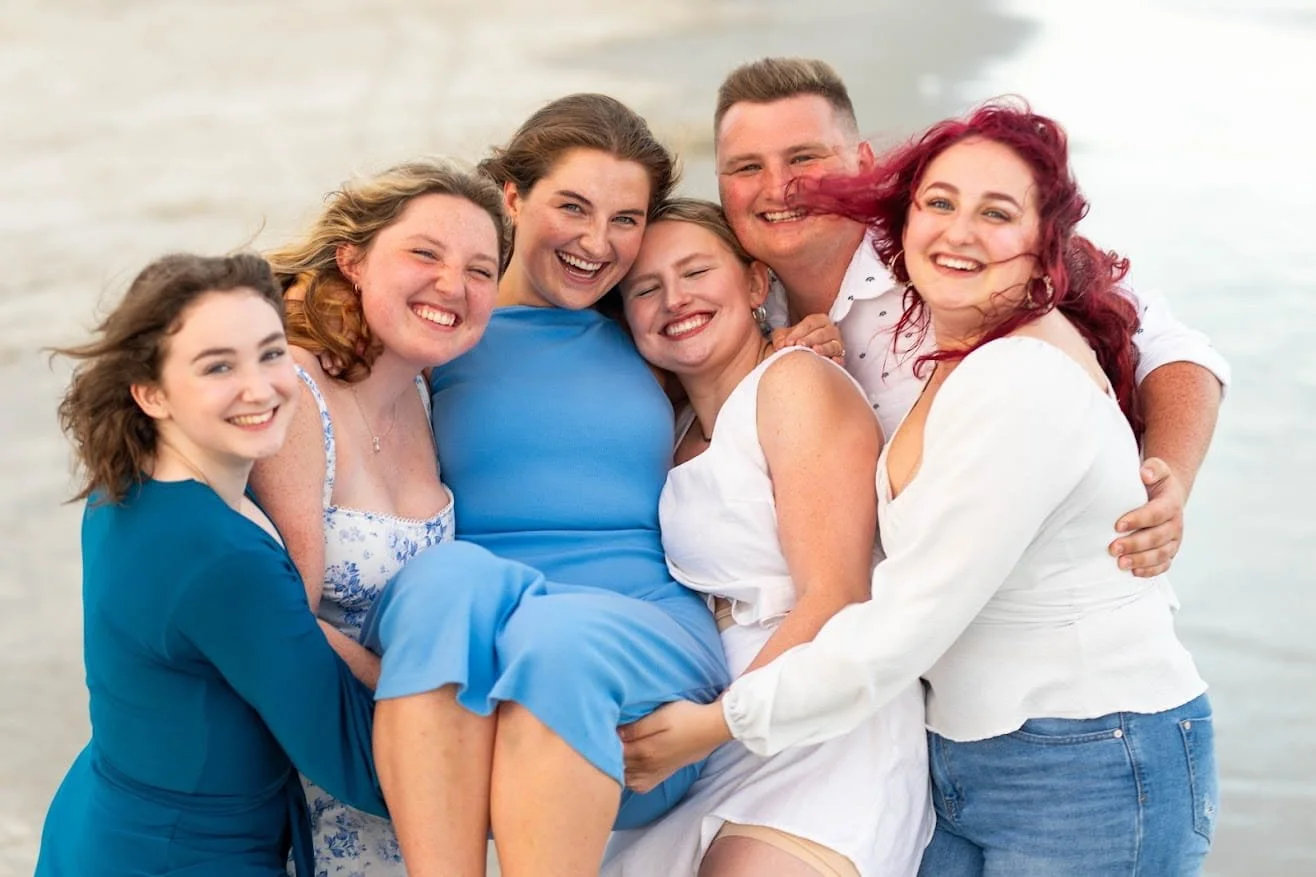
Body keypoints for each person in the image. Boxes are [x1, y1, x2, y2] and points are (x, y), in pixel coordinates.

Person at [622, 101, 1218, 875]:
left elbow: (902, 619)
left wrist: (714, 725)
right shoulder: (954, 352)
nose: (959, 231)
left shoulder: (1020, 376)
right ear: (902, 225)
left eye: (996, 213)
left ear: (1045, 247)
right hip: (965, 749)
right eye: (939, 203)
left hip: (1091, 752)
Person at [352, 94, 735, 877]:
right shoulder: (443, 327)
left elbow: (748, 368)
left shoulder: (650, 327)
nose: (599, 242)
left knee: (557, 639)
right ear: (513, 198)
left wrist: (805, 335)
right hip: (472, 654)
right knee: (445, 577)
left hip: (640, 643)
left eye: (627, 218)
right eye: (573, 206)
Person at [712, 57, 1230, 578]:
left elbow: (1173, 349)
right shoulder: (726, 297)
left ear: (864, 161)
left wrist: (1169, 483)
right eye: (746, 167)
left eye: (804, 157)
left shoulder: (957, 254)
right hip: (872, 614)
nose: (779, 188)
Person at [602, 199, 931, 876]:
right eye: (645, 288)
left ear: (755, 285)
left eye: (697, 271)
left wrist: (710, 725)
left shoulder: (792, 383)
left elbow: (835, 594)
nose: (675, 299)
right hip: (708, 740)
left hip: (817, 725)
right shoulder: (667, 428)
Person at [35, 253, 387, 876]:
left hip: (102, 820)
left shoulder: (126, 486)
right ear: (151, 393)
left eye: (272, 353)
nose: (260, 387)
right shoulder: (221, 556)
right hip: (180, 858)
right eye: (218, 366)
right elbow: (356, 763)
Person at [250, 161, 508, 875]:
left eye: (480, 269)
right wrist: (416, 692)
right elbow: (280, 619)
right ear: (353, 260)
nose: (452, 286)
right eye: (424, 253)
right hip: (316, 776)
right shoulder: (295, 393)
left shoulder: (429, 396)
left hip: (415, 787)